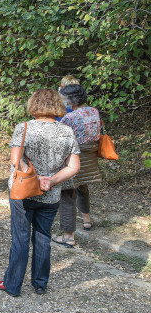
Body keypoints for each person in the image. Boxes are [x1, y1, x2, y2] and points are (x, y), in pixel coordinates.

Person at [0, 89, 80, 296]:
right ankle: (40, 283)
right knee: (43, 237)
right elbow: (73, 167)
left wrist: (34, 177)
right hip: (50, 194)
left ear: (34, 104)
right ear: (57, 106)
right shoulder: (66, 131)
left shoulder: (24, 128)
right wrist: (50, 180)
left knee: (21, 238)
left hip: (23, 191)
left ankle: (13, 284)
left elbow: (17, 160)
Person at [53, 84, 102, 247]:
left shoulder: (69, 118)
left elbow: (62, 142)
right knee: (82, 187)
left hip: (74, 160)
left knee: (67, 194)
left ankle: (68, 236)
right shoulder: (94, 111)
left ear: (69, 100)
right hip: (90, 161)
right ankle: (87, 220)